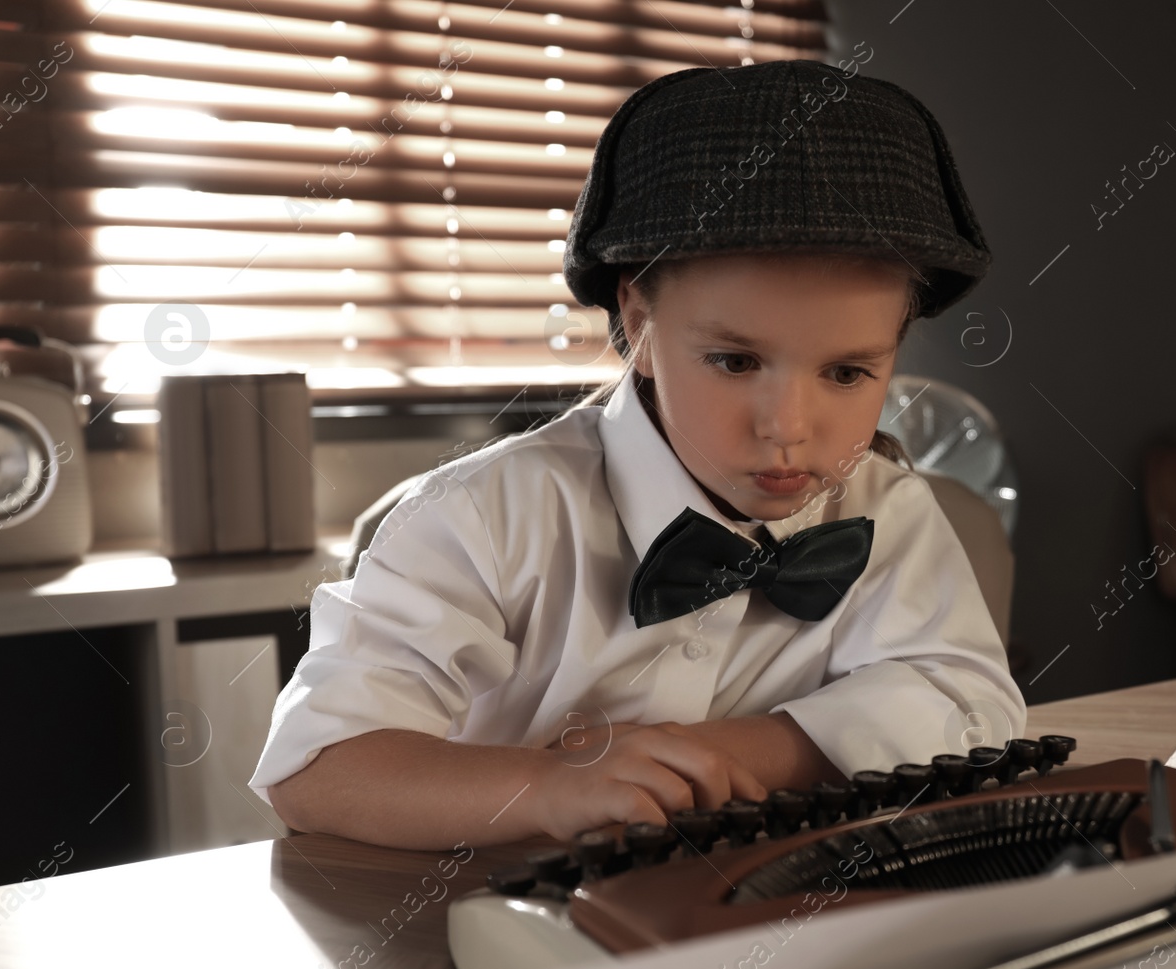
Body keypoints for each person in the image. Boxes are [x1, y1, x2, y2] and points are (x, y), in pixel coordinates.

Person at [250, 58, 1026, 850]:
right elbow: (316, 767)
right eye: (734, 361)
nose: (789, 428)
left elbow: (970, 701)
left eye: (848, 373)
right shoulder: (482, 519)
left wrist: (736, 752)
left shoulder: (888, 509)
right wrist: (550, 789)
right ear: (638, 316)